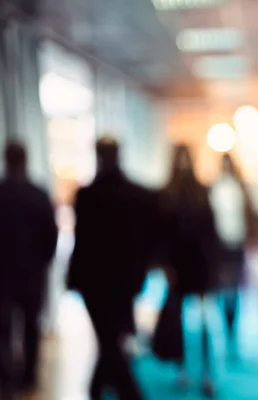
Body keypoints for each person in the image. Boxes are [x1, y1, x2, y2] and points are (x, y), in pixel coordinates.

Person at [67, 137, 158, 400]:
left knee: (109, 341)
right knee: (110, 340)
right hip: (123, 281)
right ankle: (107, 390)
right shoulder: (137, 195)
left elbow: (82, 242)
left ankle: (109, 391)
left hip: (97, 283)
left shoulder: (88, 196)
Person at [155, 145, 221, 397]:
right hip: (178, 265)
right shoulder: (167, 195)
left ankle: (206, 370)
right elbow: (161, 234)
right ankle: (183, 366)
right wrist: (164, 264)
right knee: (178, 318)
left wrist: (215, 263)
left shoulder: (201, 193)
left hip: (200, 263)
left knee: (204, 319)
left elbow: (211, 232)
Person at [0, 142, 58, 397]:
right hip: (32, 272)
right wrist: (43, 263)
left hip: (3, 273)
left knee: (3, 328)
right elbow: (50, 236)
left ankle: (5, 376)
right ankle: (29, 376)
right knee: (31, 326)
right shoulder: (38, 194)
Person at [209, 153, 258, 363]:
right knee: (225, 292)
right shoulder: (215, 189)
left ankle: (232, 334)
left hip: (236, 246)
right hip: (220, 248)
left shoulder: (241, 189)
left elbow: (250, 216)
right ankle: (226, 330)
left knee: (234, 293)